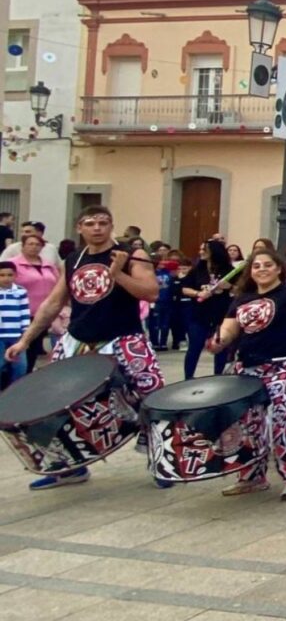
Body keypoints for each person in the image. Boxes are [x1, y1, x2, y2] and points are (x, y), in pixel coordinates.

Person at [4, 206, 164, 490]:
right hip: (78, 339)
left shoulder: (132, 255)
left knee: (151, 396)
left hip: (124, 338)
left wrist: (117, 273)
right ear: (80, 228)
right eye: (90, 223)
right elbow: (53, 303)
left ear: (111, 226)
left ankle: (161, 463)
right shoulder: (73, 259)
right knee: (50, 402)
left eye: (103, 223)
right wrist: (25, 340)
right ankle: (67, 467)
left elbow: (150, 293)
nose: (97, 228)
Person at [207, 250, 286, 499]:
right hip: (249, 367)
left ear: (278, 268)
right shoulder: (242, 299)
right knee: (246, 425)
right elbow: (229, 329)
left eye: (267, 265)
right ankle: (251, 476)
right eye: (256, 266)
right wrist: (219, 342)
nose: (262, 269)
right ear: (250, 271)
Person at [181, 241, 236, 380]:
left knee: (221, 347)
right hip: (199, 314)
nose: (201, 252)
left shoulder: (229, 270)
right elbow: (185, 288)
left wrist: (229, 287)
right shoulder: (197, 269)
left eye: (204, 249)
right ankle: (188, 378)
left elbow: (241, 290)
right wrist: (198, 293)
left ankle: (219, 377)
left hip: (221, 315)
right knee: (194, 347)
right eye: (200, 249)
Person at [9, 233, 59, 373]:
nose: (34, 247)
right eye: (30, 244)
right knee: (21, 347)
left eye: (38, 244)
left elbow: (58, 283)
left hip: (43, 314)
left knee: (35, 347)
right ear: (23, 246)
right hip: (21, 313)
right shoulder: (13, 264)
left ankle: (28, 373)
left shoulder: (48, 265)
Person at [0, 262, 31, 390]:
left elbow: (24, 312)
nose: (6, 278)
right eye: (2, 275)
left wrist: (26, 332)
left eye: (9, 275)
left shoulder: (20, 291)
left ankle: (15, 391)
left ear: (15, 275)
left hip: (17, 336)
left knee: (20, 366)